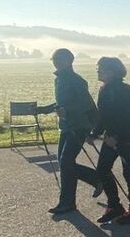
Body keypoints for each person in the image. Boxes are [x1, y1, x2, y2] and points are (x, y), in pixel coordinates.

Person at [89, 57, 130, 225]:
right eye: (98, 68)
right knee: (102, 170)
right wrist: (94, 134)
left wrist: (117, 136)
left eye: (101, 69)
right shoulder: (103, 90)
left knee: (129, 173)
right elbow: (103, 117)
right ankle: (114, 206)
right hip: (111, 139)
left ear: (113, 71)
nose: (98, 71)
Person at [38, 48, 98, 214]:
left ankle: (69, 200)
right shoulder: (59, 80)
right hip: (66, 125)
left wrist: (67, 111)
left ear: (69, 61)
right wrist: (43, 109)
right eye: (54, 60)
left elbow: (86, 104)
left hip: (79, 125)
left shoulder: (76, 80)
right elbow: (61, 103)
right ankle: (70, 201)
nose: (56, 63)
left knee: (65, 162)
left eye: (59, 60)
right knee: (64, 162)